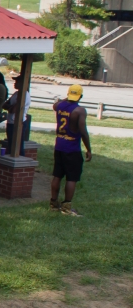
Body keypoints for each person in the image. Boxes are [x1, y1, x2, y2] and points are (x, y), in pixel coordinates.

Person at [51, 85, 92, 217]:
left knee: (57, 175)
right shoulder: (80, 111)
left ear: (68, 94)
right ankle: (66, 207)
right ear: (81, 96)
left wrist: (66, 98)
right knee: (71, 178)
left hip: (59, 145)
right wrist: (89, 149)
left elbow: (55, 104)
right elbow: (83, 132)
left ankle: (53, 203)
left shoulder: (59, 106)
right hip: (72, 147)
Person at [5, 77, 32, 153]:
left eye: (17, 82)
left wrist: (10, 107)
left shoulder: (25, 95)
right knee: (10, 144)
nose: (15, 83)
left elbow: (14, 109)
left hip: (18, 123)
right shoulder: (16, 93)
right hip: (10, 122)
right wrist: (10, 107)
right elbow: (4, 105)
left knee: (18, 146)